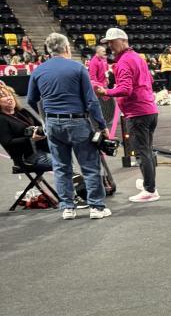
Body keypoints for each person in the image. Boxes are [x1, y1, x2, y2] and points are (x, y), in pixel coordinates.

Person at [25, 33, 110, 220]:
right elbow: (91, 100)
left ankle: (67, 208)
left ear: (49, 50)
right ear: (66, 48)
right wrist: (102, 125)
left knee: (61, 167)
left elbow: (31, 99)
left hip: (53, 124)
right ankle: (96, 207)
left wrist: (45, 118)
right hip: (77, 122)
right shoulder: (77, 68)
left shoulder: (39, 71)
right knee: (89, 165)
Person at [98, 27, 160, 203]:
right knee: (147, 150)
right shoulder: (138, 57)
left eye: (113, 42)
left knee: (142, 152)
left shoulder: (124, 62)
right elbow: (149, 80)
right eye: (108, 43)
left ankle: (150, 190)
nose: (110, 46)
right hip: (149, 110)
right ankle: (149, 184)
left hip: (137, 112)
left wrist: (106, 92)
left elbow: (125, 89)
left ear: (124, 41)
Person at [0, 82, 52, 173]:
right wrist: (31, 139)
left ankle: (72, 178)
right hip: (26, 157)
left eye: (10, 95)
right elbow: (8, 142)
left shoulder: (23, 112)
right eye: (3, 96)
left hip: (42, 149)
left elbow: (41, 126)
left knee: (64, 154)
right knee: (62, 161)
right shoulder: (2, 119)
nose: (9, 98)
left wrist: (38, 130)